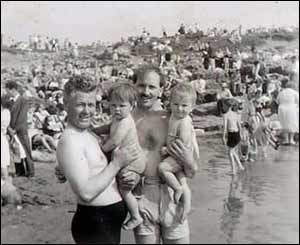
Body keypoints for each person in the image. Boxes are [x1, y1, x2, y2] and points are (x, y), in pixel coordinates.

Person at [56, 67, 199, 244]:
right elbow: (102, 156)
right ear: (134, 86)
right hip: (140, 195)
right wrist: (64, 167)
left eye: (152, 87)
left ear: (161, 90)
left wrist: (188, 161)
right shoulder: (123, 119)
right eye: (141, 85)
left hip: (170, 195)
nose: (146, 92)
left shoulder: (174, 119)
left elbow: (192, 171)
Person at [56, 75, 140, 244]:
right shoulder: (70, 140)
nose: (87, 111)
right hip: (94, 223)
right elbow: (86, 192)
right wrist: (116, 164)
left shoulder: (89, 133)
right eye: (80, 104)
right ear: (66, 105)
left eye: (91, 104)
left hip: (106, 222)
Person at [100, 83, 146, 230]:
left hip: (133, 160)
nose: (117, 109)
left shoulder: (126, 122)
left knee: (124, 189)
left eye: (122, 106)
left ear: (132, 106)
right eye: (113, 105)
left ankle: (136, 216)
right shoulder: (117, 119)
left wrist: (101, 148)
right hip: (129, 158)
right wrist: (94, 130)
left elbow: (115, 141)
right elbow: (108, 127)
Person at [158, 83, 199, 223]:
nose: (179, 109)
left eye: (184, 106)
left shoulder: (185, 122)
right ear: (170, 104)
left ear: (192, 107)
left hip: (178, 155)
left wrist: (167, 150)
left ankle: (176, 189)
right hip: (176, 156)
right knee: (183, 181)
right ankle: (186, 209)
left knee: (163, 168)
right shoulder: (174, 116)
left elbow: (182, 143)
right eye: (175, 104)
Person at [5, 81, 35, 177]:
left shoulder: (23, 100)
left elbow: (22, 117)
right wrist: (9, 128)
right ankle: (20, 170)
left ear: (12, 89)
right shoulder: (10, 101)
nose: (7, 92)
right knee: (16, 150)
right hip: (12, 130)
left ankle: (30, 171)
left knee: (26, 150)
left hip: (20, 129)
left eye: (7, 90)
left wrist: (15, 129)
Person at [222, 98, 245, 175]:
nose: (223, 107)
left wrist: (223, 137)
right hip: (237, 134)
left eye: (223, 105)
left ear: (226, 106)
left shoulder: (225, 115)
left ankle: (233, 170)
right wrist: (241, 135)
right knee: (233, 151)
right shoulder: (236, 114)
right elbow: (239, 125)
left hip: (232, 134)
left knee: (230, 153)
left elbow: (225, 127)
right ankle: (240, 166)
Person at [277, 78, 299, 145]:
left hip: (282, 108)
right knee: (292, 123)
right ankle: (291, 139)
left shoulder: (281, 92)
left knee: (284, 123)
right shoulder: (295, 93)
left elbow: (278, 101)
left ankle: (286, 139)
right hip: (291, 108)